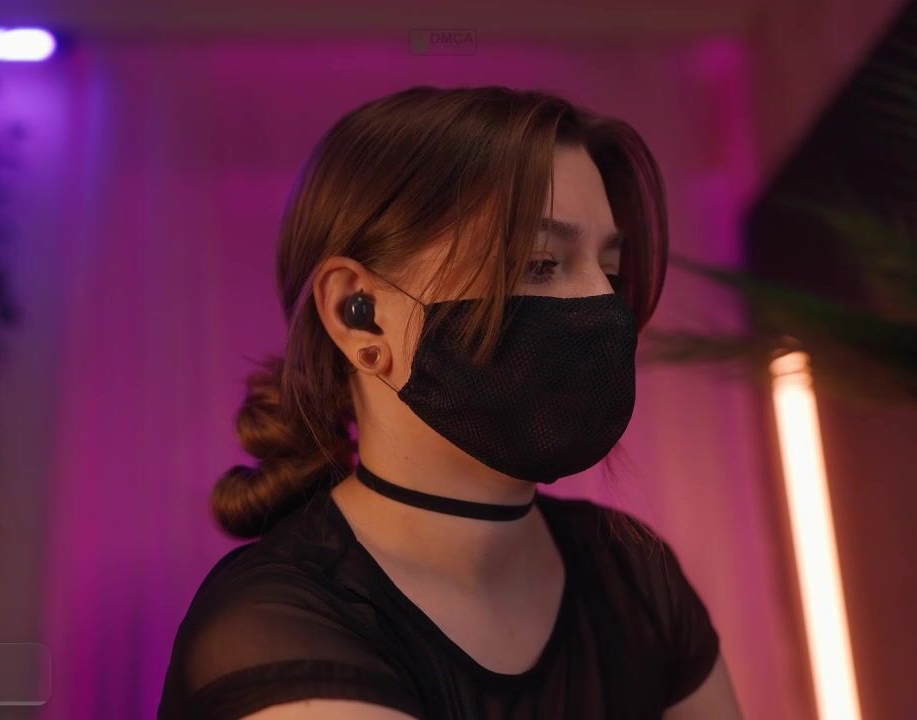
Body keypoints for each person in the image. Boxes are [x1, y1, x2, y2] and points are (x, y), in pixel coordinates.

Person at [159, 86, 743, 719]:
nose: (603, 304)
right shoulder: (279, 622)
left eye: (611, 269)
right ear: (361, 316)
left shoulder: (633, 574)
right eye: (540, 264)